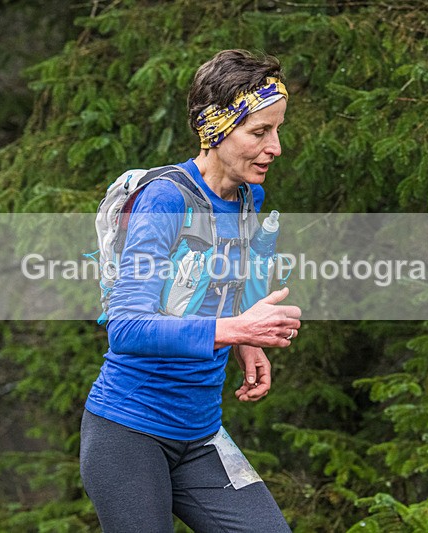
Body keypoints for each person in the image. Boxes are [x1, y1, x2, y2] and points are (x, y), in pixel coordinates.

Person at [80, 49, 301, 532]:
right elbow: (127, 327)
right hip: (129, 433)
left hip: (200, 436)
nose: (275, 148)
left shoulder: (246, 197)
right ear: (216, 130)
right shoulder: (165, 199)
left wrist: (243, 341)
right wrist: (235, 328)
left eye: (277, 130)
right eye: (260, 132)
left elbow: (216, 286)